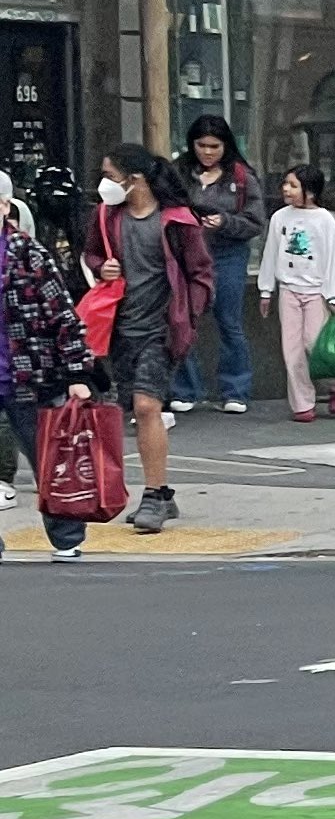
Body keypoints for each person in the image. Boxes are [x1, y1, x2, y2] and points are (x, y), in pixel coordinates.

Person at [85, 146, 204, 534]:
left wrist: (189, 316)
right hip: (119, 329)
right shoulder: (106, 216)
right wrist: (102, 267)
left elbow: (200, 272)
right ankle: (163, 495)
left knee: (147, 405)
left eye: (109, 173)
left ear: (133, 179)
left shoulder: (176, 221)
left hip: (161, 328)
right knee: (128, 411)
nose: (105, 182)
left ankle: (152, 495)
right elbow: (90, 255)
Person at [3, 173, 101, 559]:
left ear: (5, 207)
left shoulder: (29, 253)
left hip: (28, 375)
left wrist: (77, 373)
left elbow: (63, 315)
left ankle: (66, 537)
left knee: (48, 459)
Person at [167, 114, 263, 415]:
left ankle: (236, 389)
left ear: (226, 146)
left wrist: (225, 222)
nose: (207, 152)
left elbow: (255, 221)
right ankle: (185, 389)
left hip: (228, 253)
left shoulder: (241, 176)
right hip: (186, 253)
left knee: (229, 322)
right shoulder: (179, 171)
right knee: (183, 320)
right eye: (201, 145)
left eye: (214, 146)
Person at [261, 164, 335, 421]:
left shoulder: (325, 220)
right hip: (288, 290)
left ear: (309, 191)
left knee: (315, 344)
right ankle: (302, 404)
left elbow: (334, 259)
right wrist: (266, 289)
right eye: (285, 184)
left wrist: (333, 296)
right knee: (292, 350)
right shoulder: (280, 218)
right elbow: (270, 254)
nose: (285, 189)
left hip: (316, 292)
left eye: (292, 185)